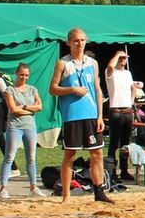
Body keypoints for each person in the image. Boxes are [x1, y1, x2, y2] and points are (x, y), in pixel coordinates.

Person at [48, 28, 113, 204]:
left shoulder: (92, 63)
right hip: (72, 115)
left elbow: (98, 89)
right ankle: (66, 195)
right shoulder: (63, 63)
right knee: (70, 154)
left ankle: (99, 192)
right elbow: (52, 89)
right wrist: (71, 89)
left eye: (83, 40)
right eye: (76, 40)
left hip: (91, 114)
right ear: (69, 42)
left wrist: (100, 115)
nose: (80, 44)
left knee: (97, 153)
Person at [0, 62, 46, 198]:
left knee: (31, 158)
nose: (24, 77)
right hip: (15, 127)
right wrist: (30, 108)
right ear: (16, 74)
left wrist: (24, 107)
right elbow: (13, 109)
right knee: (9, 157)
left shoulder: (32, 89)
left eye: (26, 75)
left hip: (30, 127)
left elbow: (40, 106)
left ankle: (33, 187)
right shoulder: (10, 90)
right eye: (21, 75)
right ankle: (3, 188)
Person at [105, 50, 139, 183]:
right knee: (114, 142)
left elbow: (132, 88)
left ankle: (124, 170)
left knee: (125, 143)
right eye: (121, 58)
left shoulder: (127, 73)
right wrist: (117, 55)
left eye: (125, 58)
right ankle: (111, 171)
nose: (123, 60)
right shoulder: (111, 72)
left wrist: (131, 102)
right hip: (116, 110)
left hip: (127, 110)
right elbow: (110, 67)